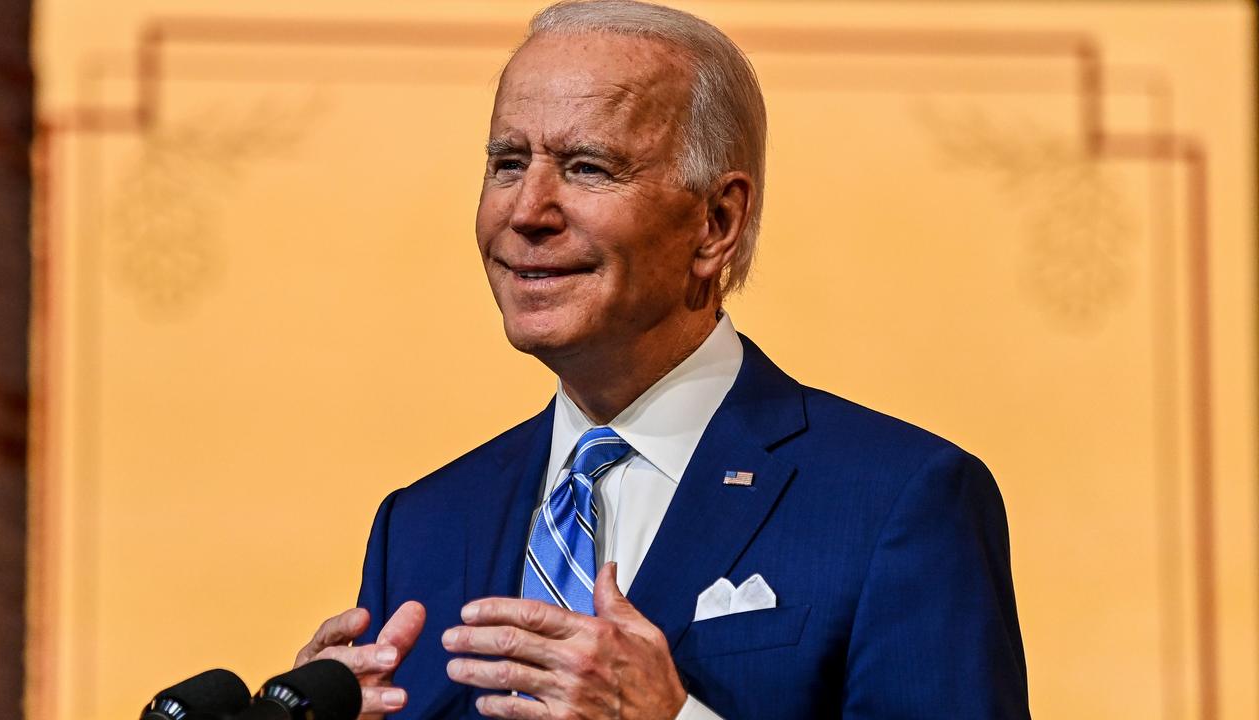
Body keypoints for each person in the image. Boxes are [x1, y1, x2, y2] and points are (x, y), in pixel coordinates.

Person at [293, 1, 1030, 718]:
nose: (527, 211)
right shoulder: (421, 525)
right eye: (508, 163)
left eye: (587, 167)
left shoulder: (898, 501)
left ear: (716, 223)